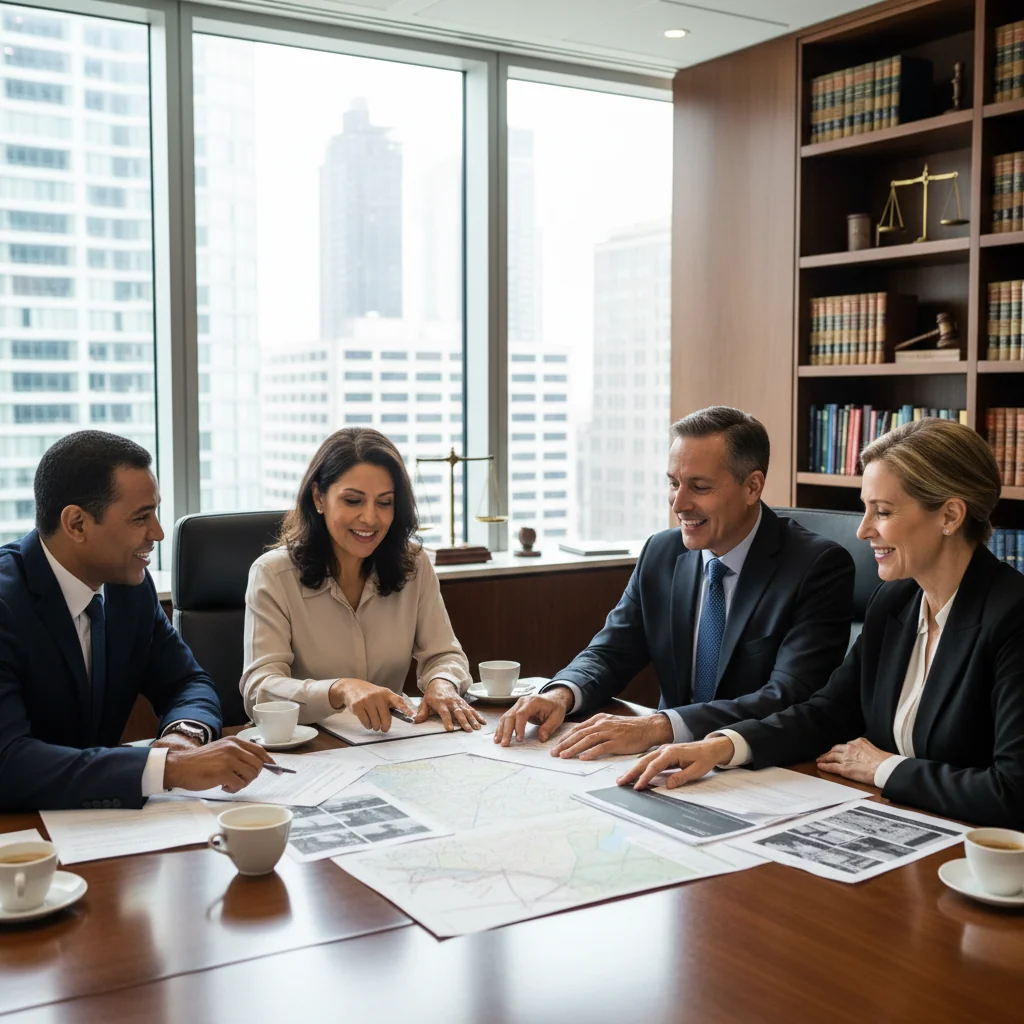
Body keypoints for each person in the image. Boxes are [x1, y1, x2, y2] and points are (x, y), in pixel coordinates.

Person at [619, 418, 1024, 829]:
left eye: (883, 512)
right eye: (865, 509)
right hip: (898, 821)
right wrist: (722, 747)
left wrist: (885, 768)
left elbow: (1012, 791)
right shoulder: (897, 600)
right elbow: (827, 712)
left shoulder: (1013, 617)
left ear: (950, 515)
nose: (863, 530)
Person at [494, 406, 856, 757]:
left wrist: (658, 726)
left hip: (759, 763)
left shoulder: (816, 567)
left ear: (752, 487)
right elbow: (611, 652)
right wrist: (561, 695)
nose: (678, 504)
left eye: (699, 487)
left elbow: (788, 696)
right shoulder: (661, 552)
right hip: (666, 762)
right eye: (673, 483)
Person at [0, 431, 272, 812]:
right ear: (77, 524)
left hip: (103, 818)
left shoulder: (130, 588)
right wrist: (168, 768)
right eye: (141, 517)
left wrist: (182, 738)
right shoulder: (7, 602)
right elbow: (9, 762)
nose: (158, 532)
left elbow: (188, 682)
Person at [241, 427, 479, 734]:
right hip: (306, 743)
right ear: (318, 497)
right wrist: (339, 689)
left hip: (388, 739)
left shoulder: (414, 564)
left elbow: (444, 654)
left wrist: (442, 682)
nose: (370, 518)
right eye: (353, 501)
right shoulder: (273, 574)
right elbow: (259, 688)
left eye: (384, 503)